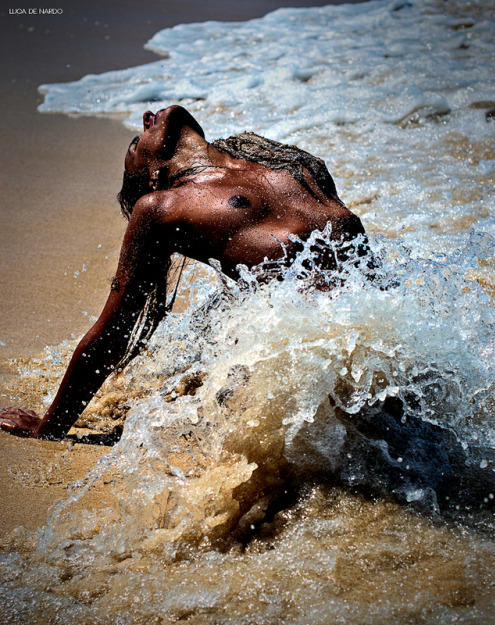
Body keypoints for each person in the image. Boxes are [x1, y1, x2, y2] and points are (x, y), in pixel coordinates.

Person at [0, 105, 367, 440]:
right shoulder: (162, 207)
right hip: (307, 365)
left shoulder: (282, 160)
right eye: (135, 144)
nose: (146, 116)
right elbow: (113, 330)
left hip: (371, 343)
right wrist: (48, 428)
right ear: (154, 177)